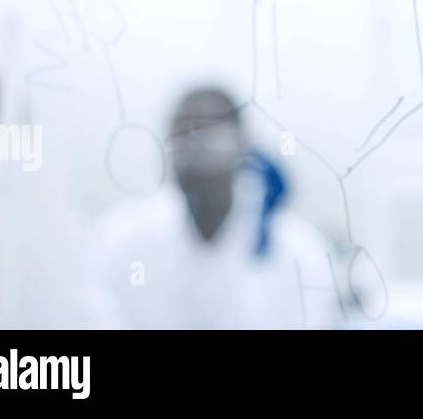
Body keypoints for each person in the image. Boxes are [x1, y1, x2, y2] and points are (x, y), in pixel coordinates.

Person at [81, 86, 338, 328]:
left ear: (243, 147)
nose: (193, 149)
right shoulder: (120, 241)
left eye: (208, 135)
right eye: (181, 135)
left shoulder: (298, 250)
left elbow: (318, 320)